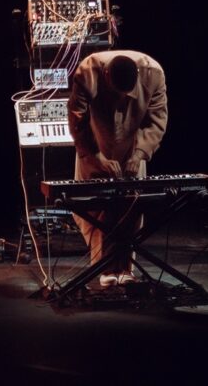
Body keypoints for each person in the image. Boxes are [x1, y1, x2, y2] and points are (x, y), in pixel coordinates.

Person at [67, 50, 167, 288]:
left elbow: (156, 120)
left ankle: (125, 269)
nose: (121, 98)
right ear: (106, 75)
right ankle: (104, 267)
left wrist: (139, 153)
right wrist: (96, 157)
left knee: (131, 205)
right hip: (96, 141)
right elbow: (78, 121)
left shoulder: (154, 74)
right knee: (95, 208)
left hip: (132, 145)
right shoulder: (87, 72)